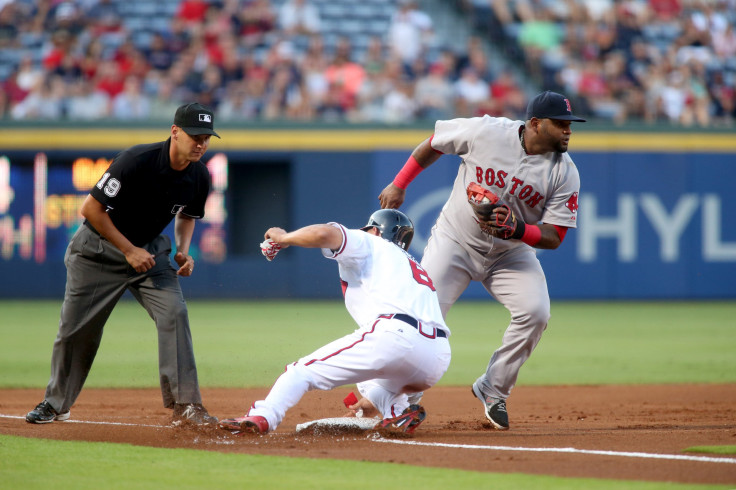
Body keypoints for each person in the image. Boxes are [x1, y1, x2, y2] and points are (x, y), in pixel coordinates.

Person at [378, 91, 585, 430]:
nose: (568, 131)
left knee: (536, 313)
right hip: (455, 241)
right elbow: (434, 142)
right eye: (560, 124)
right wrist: (399, 184)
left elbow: (555, 236)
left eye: (569, 124)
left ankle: (493, 388)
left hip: (511, 253)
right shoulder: (486, 131)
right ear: (534, 123)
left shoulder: (565, 173)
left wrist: (518, 229)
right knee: (422, 316)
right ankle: (401, 400)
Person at [26, 102, 220, 426]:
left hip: (149, 255)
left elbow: (187, 215)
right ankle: (55, 403)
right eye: (195, 136)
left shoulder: (199, 175)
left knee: (175, 312)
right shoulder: (136, 161)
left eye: (206, 137)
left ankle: (187, 405)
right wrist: (129, 250)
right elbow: (90, 210)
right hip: (96, 254)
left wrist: (183, 250)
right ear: (175, 132)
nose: (201, 143)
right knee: (77, 331)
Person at [219, 209, 451, 434]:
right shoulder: (411, 266)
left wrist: (284, 237)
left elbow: (324, 234)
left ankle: (264, 415)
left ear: (376, 231)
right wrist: (368, 404)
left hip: (395, 336)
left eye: (368, 229)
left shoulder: (372, 243)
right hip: (437, 357)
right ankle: (396, 412)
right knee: (370, 379)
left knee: (300, 372)